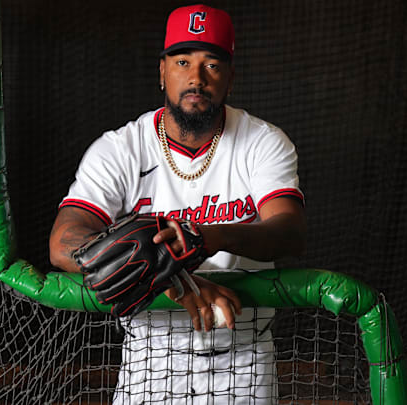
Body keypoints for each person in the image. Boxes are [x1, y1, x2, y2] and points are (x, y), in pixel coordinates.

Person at [49, 4, 305, 404]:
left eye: (212, 65)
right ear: (163, 71)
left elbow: (288, 231)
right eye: (183, 61)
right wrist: (176, 279)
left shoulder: (263, 142)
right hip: (149, 357)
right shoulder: (120, 149)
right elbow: (65, 241)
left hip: (242, 362)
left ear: (230, 78)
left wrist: (209, 237)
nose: (196, 78)